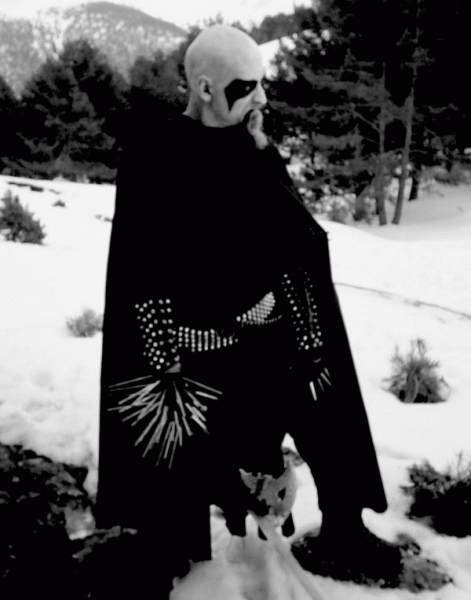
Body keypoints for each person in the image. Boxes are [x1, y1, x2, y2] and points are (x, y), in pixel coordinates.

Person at [95, 24, 399, 598]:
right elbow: (139, 267)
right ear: (205, 88)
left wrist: (308, 336)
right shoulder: (153, 156)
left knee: (331, 406)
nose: (261, 97)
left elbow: (296, 243)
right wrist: (163, 358)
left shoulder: (256, 148)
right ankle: (167, 543)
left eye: (262, 84)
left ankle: (345, 527)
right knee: (171, 452)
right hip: (195, 355)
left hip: (271, 336)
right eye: (246, 86)